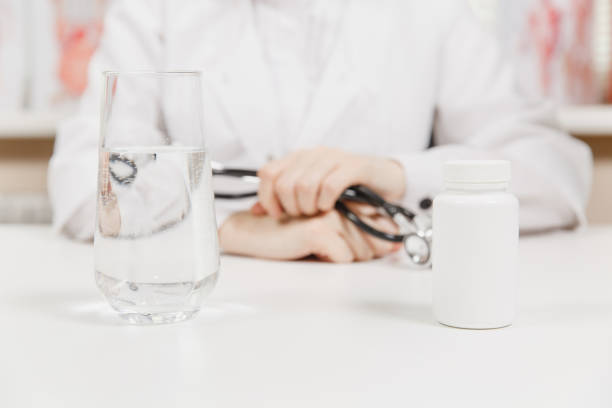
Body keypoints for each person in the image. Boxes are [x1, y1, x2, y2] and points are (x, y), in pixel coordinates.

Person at [48, 0, 592, 263]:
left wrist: (397, 176)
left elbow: (553, 170)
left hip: (384, 335)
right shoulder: (158, 10)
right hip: (204, 316)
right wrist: (230, 231)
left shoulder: (434, 13)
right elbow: (80, 179)